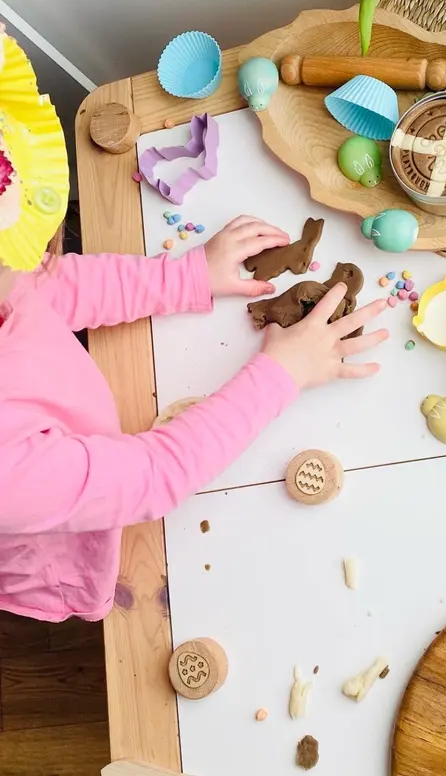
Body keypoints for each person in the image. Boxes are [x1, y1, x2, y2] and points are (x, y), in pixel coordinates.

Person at [0, 215, 388, 622]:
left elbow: (46, 286)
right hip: (62, 554)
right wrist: (283, 373)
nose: (26, 263)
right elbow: (151, 476)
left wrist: (186, 278)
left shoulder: (12, 279)